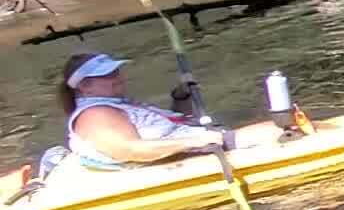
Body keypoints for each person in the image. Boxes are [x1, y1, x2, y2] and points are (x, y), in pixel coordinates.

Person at [54, 52, 227, 168]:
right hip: (192, 153)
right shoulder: (95, 115)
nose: (118, 78)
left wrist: (182, 98)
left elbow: (172, 126)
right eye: (107, 75)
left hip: (202, 143)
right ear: (84, 86)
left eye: (116, 71)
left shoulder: (117, 104)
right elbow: (129, 150)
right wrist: (194, 141)